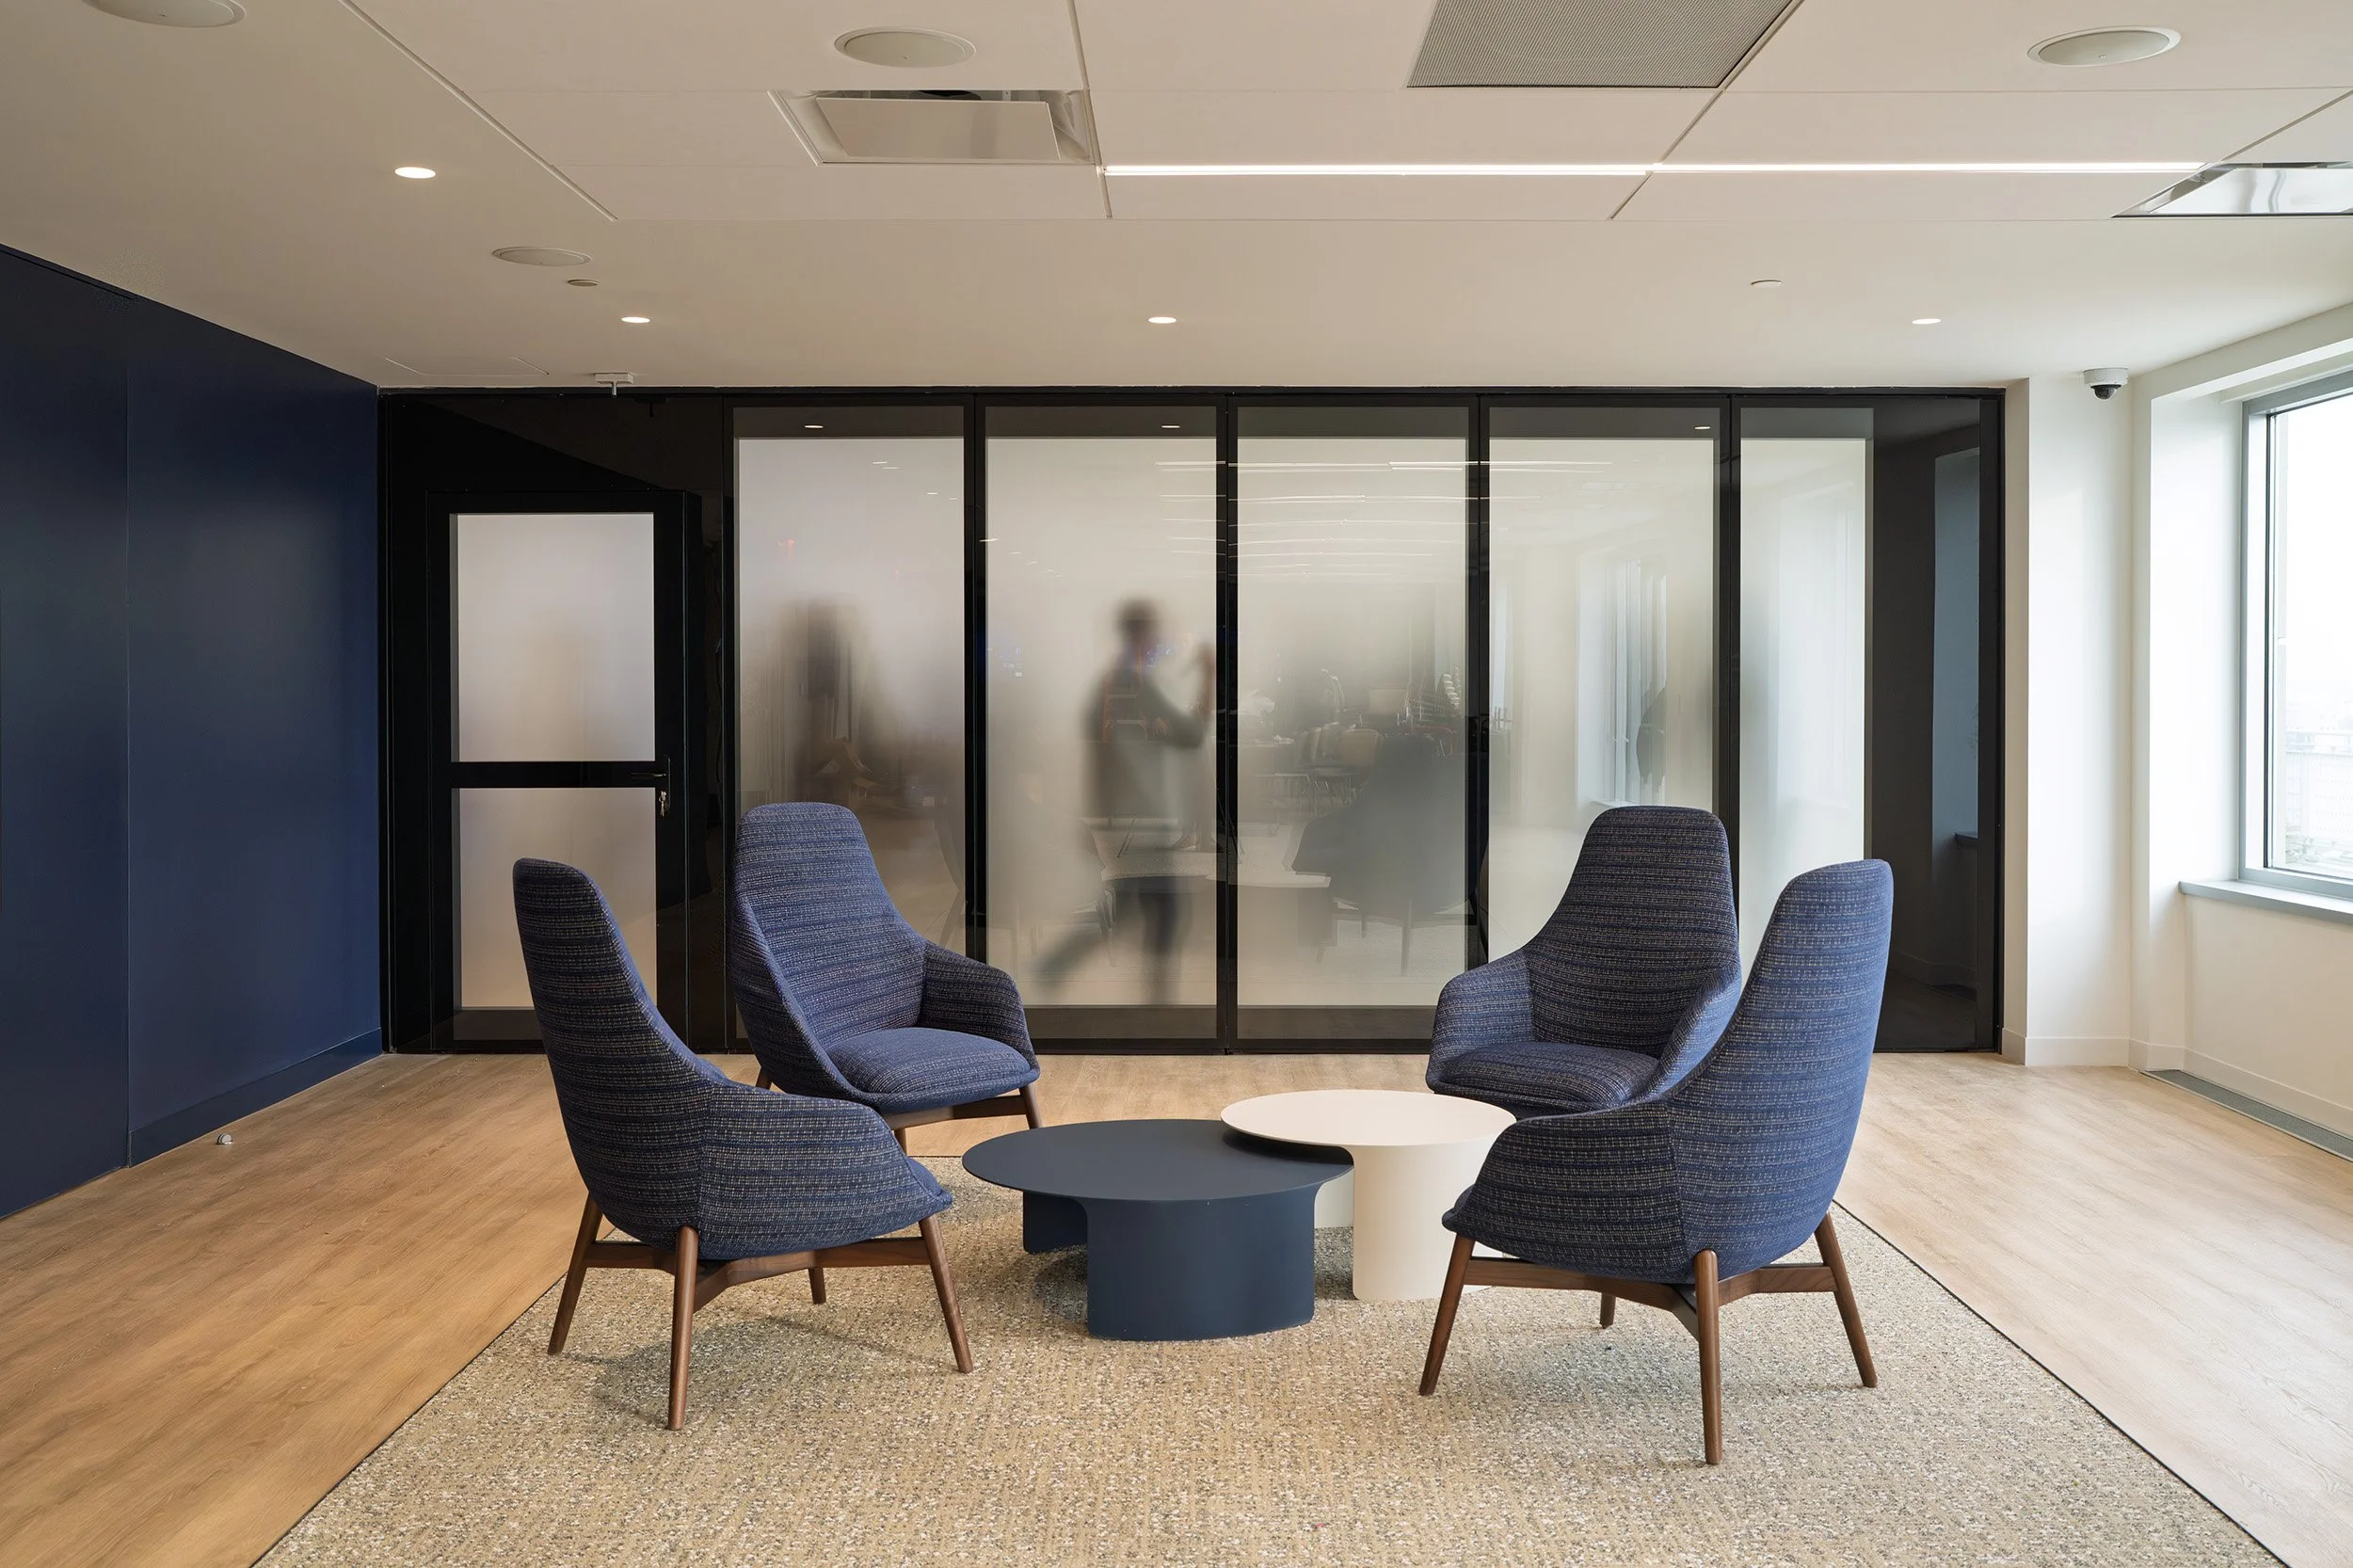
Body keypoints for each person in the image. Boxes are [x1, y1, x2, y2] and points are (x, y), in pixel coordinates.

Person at [1034, 600, 1215, 1004]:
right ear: (1142, 635)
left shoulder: (1112, 685)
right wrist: (1208, 677)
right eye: (1154, 633)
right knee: (1165, 914)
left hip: (1127, 819)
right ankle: (1158, 1006)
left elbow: (1104, 747)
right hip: (1139, 822)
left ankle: (1056, 968)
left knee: (1138, 910)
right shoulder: (1132, 684)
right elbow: (1190, 734)